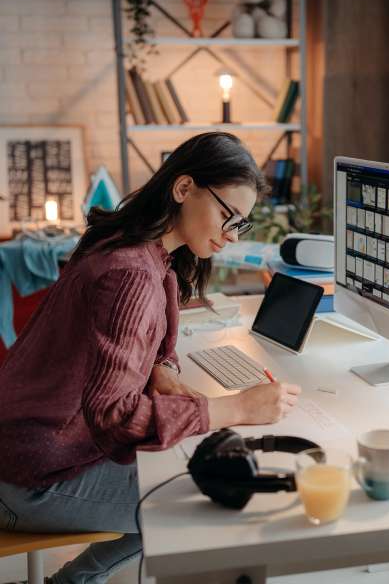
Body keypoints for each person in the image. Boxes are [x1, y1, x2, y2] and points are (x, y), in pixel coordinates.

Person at [0, 132, 301, 584]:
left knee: (184, 457)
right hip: (30, 476)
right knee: (204, 492)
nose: (229, 234)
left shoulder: (126, 240)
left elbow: (111, 341)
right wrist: (237, 407)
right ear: (183, 189)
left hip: (21, 443)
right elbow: (114, 416)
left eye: (240, 224)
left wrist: (158, 370)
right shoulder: (132, 275)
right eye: (227, 215)